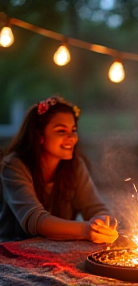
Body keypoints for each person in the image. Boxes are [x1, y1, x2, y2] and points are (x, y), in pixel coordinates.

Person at [0, 95, 118, 243]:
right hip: (12, 250)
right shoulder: (14, 166)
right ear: (39, 135)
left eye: (73, 130)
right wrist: (86, 230)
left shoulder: (75, 165)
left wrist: (102, 222)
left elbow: (95, 208)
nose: (72, 137)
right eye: (61, 131)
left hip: (58, 249)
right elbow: (35, 220)